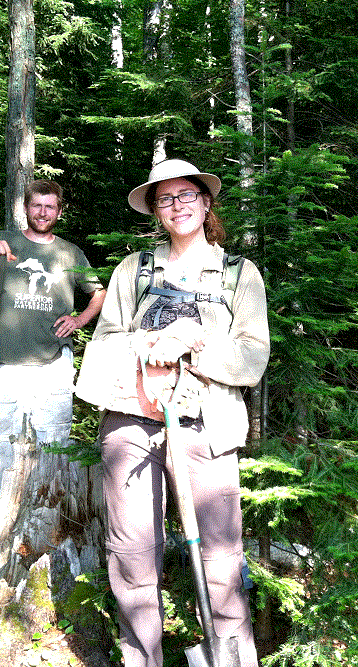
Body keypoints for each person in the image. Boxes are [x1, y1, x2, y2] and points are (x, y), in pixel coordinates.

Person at [91, 158, 269, 667]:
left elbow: (253, 354)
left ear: (206, 201)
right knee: (132, 553)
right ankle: (141, 658)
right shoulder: (133, 269)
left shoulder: (238, 273)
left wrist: (191, 347)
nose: (177, 205)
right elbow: (103, 344)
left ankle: (230, 656)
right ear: (156, 211)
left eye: (186, 195)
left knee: (220, 553)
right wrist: (146, 343)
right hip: (133, 422)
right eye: (165, 199)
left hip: (206, 424)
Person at [0, 179, 106, 503]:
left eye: (49, 206)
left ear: (59, 211)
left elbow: (99, 293)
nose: (42, 212)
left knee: (51, 437)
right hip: (5, 361)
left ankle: (42, 510)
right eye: (36, 205)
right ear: (25, 208)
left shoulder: (70, 252)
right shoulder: (2, 242)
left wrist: (79, 319)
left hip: (53, 362)